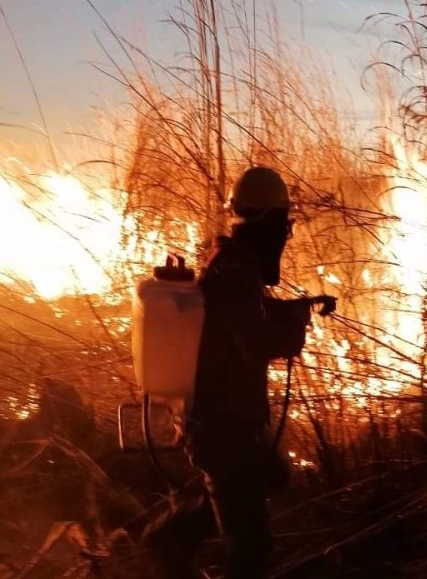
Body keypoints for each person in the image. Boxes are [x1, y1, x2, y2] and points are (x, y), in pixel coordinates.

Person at [143, 166, 337, 578]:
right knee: (250, 550)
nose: (284, 236)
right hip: (221, 427)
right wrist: (296, 326)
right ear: (268, 222)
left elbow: (244, 318)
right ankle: (171, 539)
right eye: (283, 225)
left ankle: (177, 533)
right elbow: (257, 342)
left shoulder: (234, 265)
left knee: (271, 473)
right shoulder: (235, 273)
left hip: (230, 421)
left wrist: (299, 306)